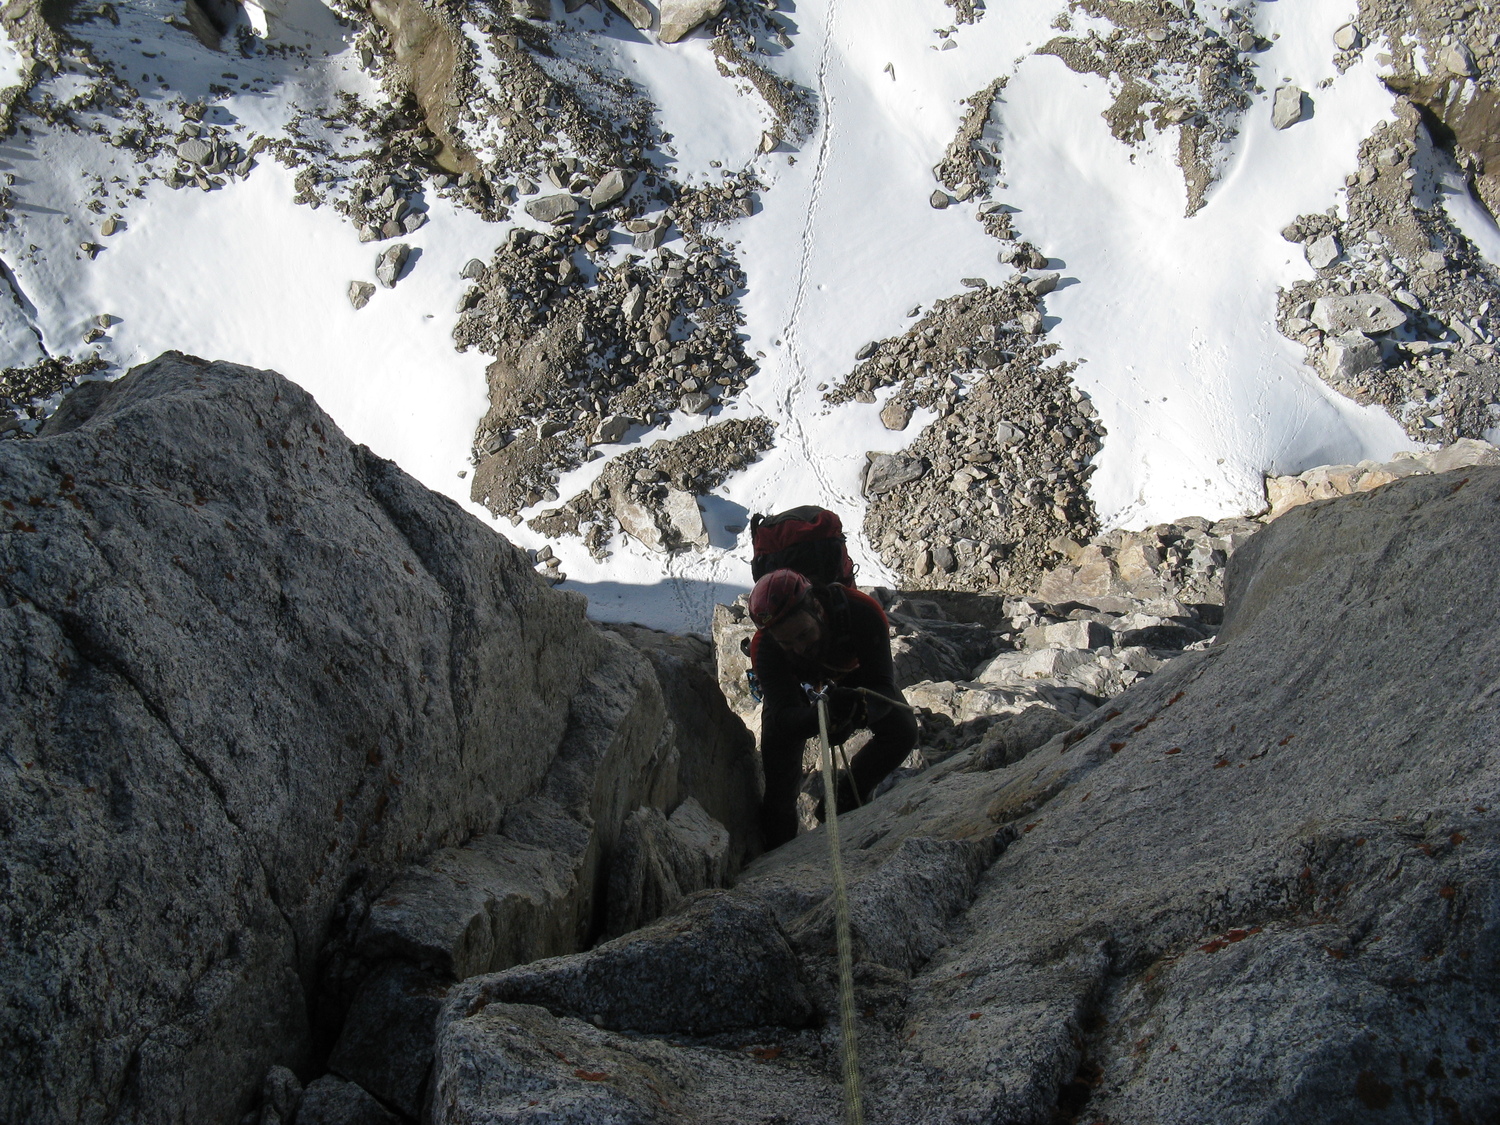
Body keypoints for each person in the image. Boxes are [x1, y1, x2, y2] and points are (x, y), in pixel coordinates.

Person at [748, 568, 918, 849]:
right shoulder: (766, 647)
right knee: (780, 785)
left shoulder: (861, 612)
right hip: (796, 690)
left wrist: (857, 713)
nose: (799, 648)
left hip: (851, 675)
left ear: (817, 607)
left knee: (903, 732)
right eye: (787, 643)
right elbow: (783, 718)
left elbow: (883, 686)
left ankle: (843, 802)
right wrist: (823, 718)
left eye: (803, 634)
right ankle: (778, 851)